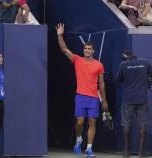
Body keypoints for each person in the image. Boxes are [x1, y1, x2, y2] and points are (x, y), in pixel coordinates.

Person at [55, 23, 108, 157]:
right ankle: (79, 139)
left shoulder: (99, 65)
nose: (87, 50)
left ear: (93, 51)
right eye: (85, 48)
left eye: (89, 49)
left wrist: (104, 101)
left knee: (92, 122)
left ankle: (89, 149)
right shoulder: (77, 60)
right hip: (80, 96)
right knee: (80, 123)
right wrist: (59, 35)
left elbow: (101, 84)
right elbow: (64, 49)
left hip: (94, 98)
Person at [116, 50, 152, 158]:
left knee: (126, 124)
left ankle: (126, 152)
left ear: (125, 56)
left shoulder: (123, 64)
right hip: (141, 98)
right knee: (142, 124)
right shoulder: (145, 62)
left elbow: (118, 79)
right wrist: (147, 78)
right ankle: (141, 152)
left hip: (128, 99)